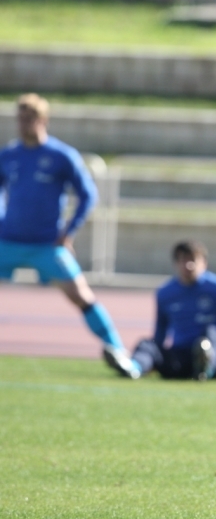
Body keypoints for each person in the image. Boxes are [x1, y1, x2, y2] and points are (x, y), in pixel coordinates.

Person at [0, 93, 137, 377]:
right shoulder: (9, 155)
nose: (24, 124)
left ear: (43, 120)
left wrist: (69, 232)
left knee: (81, 295)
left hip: (46, 244)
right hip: (8, 241)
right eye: (20, 119)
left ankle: (119, 352)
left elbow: (88, 195)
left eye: (29, 119)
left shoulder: (61, 156)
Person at [108, 241, 216, 381]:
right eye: (183, 260)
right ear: (176, 264)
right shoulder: (165, 293)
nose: (188, 265)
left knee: (209, 335)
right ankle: (134, 368)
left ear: (204, 263)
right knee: (148, 345)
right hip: (182, 355)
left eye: (193, 260)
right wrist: (153, 358)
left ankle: (206, 365)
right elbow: (160, 333)